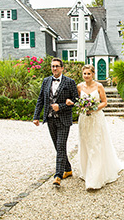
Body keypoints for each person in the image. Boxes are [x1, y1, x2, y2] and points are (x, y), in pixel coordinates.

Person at [66, 64, 124, 190]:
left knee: (96, 144)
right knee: (85, 143)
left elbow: (104, 102)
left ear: (93, 74)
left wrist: (93, 108)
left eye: (88, 73)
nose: (86, 76)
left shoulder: (99, 86)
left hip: (96, 118)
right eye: (84, 74)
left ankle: (94, 179)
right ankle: (86, 171)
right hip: (84, 119)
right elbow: (75, 100)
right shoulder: (79, 87)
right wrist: (77, 105)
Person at [33, 58, 79, 187]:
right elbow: (40, 100)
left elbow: (76, 100)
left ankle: (58, 175)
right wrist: (36, 117)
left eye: (57, 66)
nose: (54, 68)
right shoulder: (46, 81)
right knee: (58, 147)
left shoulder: (70, 82)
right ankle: (68, 169)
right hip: (50, 119)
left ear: (62, 68)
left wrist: (62, 106)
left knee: (60, 146)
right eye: (53, 66)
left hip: (64, 120)